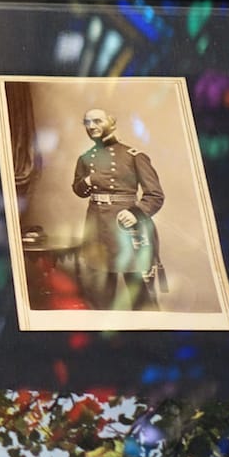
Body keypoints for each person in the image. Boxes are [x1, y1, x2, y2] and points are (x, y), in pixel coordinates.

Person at [71, 108, 165, 310]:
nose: (92, 126)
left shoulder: (134, 156)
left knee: (141, 297)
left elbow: (155, 195)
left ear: (111, 123)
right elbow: (78, 189)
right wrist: (88, 179)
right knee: (100, 297)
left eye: (97, 121)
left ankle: (149, 338)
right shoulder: (85, 158)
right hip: (97, 230)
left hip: (127, 231)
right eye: (87, 122)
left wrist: (135, 213)